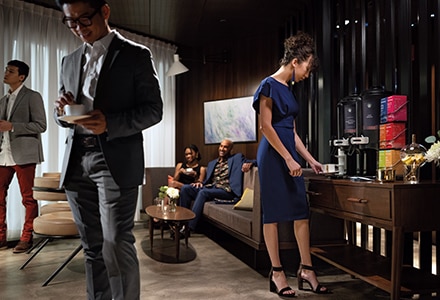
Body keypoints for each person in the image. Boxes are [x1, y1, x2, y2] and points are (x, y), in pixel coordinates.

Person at [53, 0, 162, 299]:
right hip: (76, 161)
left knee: (115, 243)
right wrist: (61, 111)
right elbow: (61, 117)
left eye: (84, 19)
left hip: (114, 161)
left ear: (105, 11)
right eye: (70, 22)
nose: (78, 28)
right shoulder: (69, 60)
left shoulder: (136, 55)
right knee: (92, 248)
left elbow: (154, 110)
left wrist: (110, 123)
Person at [252, 32, 328, 297]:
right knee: (272, 215)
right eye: (307, 68)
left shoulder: (289, 90)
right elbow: (265, 126)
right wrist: (286, 157)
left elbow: (292, 133)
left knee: (300, 210)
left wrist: (310, 160)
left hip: (289, 156)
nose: (308, 74)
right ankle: (277, 273)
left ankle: (306, 269)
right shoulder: (268, 85)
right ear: (296, 61)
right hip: (272, 157)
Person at [0, 60, 47, 253]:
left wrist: (13, 126)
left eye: (10, 71)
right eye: (6, 70)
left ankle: (26, 238)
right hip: (3, 154)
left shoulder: (32, 97)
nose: (6, 73)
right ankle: (1, 238)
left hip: (24, 155)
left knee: (28, 198)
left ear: (21, 76)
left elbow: (41, 125)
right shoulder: (3, 100)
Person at [179, 139, 255, 232]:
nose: (222, 149)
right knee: (185, 188)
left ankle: (189, 227)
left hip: (227, 191)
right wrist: (200, 183)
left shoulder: (237, 158)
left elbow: (256, 161)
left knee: (203, 193)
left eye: (225, 147)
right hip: (212, 188)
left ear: (231, 149)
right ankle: (181, 223)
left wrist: (250, 163)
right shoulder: (212, 163)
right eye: (221, 146)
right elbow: (208, 181)